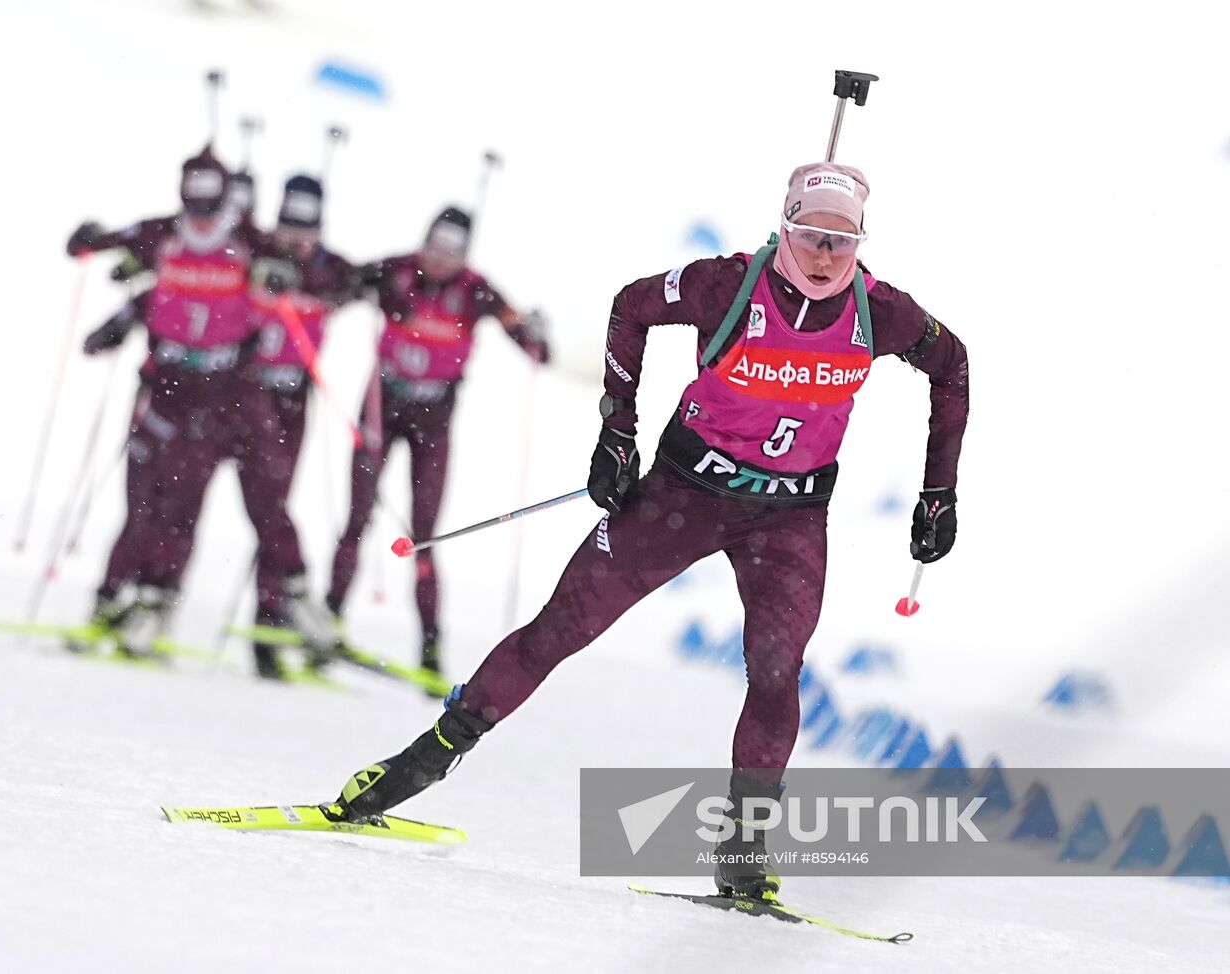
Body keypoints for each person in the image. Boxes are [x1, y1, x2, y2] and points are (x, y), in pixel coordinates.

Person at [323, 162, 969, 902]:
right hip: (682, 496)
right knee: (560, 630)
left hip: (790, 519)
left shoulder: (878, 310)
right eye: (811, 237)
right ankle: (411, 768)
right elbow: (631, 307)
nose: (826, 256)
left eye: (841, 241)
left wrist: (938, 493)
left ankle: (743, 860)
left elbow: (952, 366)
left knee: (775, 675)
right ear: (784, 229)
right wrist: (616, 433)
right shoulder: (726, 285)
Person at [64, 146, 306, 656]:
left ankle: (161, 602)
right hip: (167, 382)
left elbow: (287, 268)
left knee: (187, 499)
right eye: (190, 193)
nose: (198, 208)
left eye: (207, 195)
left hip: (224, 388)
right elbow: (114, 247)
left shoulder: (244, 238)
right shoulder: (164, 233)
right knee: (143, 495)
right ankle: (115, 599)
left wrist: (281, 275)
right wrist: (89, 241)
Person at [325, 206, 550, 675]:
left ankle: (430, 646)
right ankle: (328, 620)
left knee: (425, 534)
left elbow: (533, 347)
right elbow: (336, 284)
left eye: (452, 250)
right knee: (358, 519)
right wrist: (363, 289)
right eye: (435, 247)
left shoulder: (476, 289)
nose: (440, 259)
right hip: (381, 408)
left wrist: (535, 333)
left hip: (434, 419)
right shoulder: (397, 269)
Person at [245, 174, 363, 678]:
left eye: (306, 231)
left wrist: (318, 287)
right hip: (243, 391)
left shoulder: (328, 267)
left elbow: (364, 282)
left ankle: (271, 619)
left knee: (273, 504)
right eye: (290, 228)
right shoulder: (256, 249)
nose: (297, 240)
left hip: (293, 396)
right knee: (263, 502)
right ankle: (150, 595)